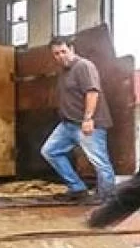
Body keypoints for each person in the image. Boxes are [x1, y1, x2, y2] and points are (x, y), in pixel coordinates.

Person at [40, 36, 116, 203]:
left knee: (99, 162)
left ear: (72, 49)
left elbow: (92, 92)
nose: (60, 56)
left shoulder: (83, 66)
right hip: (68, 124)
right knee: (50, 151)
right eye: (56, 54)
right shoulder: (63, 71)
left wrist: (88, 118)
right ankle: (77, 188)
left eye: (63, 51)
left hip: (87, 123)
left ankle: (108, 199)